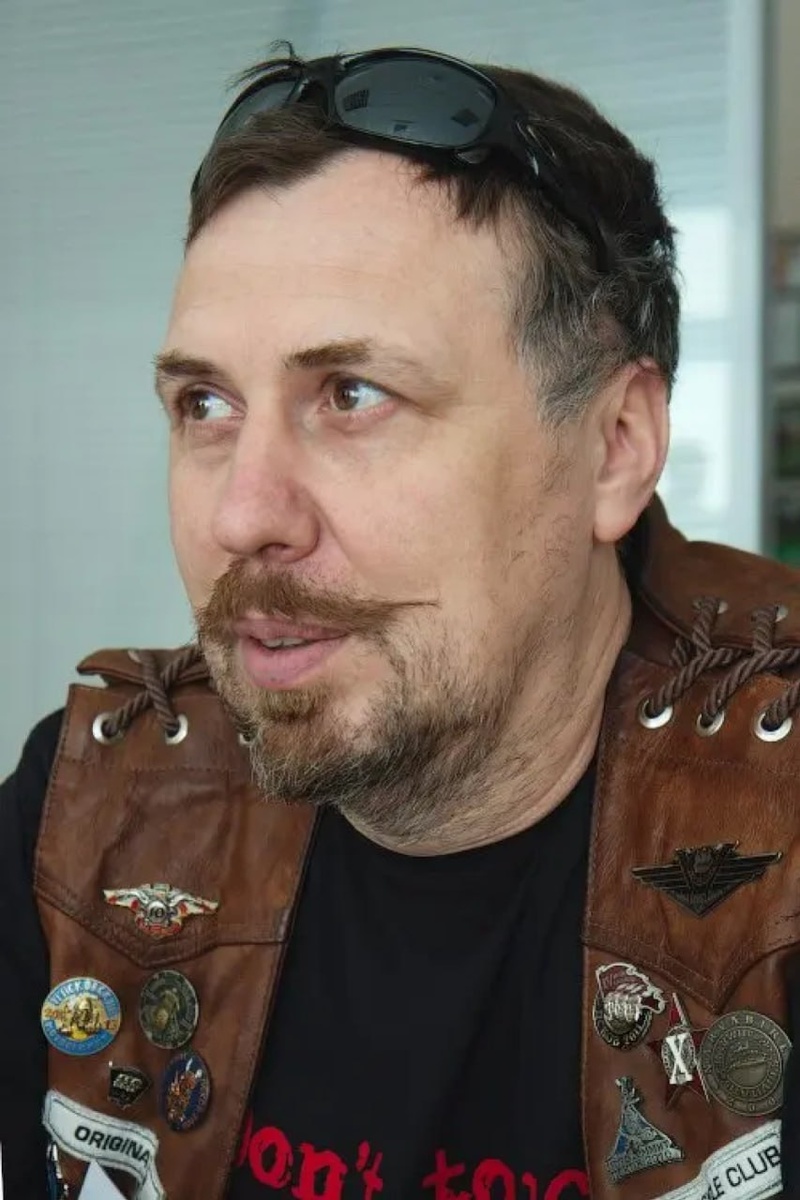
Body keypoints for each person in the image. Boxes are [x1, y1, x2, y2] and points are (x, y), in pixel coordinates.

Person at [2, 44, 800, 1200]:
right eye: (204, 404)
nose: (241, 517)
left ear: (613, 448)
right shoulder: (93, 814)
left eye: (352, 395)